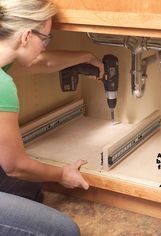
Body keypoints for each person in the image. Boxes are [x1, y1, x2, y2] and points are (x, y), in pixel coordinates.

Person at [0, 0, 104, 235]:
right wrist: (62, 175)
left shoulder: (3, 63)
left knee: (30, 186)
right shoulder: (1, 85)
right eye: (45, 38)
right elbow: (14, 165)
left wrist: (87, 56)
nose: (45, 45)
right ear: (26, 36)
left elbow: (43, 61)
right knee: (65, 230)